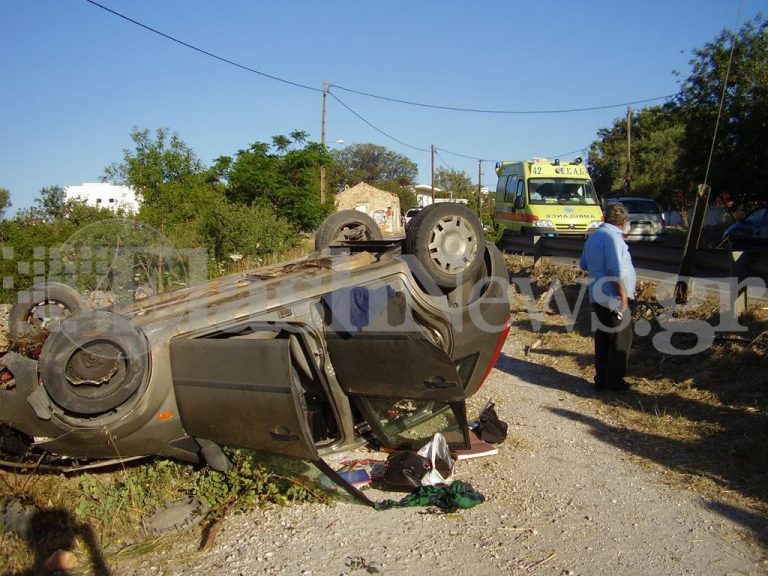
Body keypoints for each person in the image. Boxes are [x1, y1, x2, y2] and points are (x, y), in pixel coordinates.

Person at [579, 202, 636, 391]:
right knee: (620, 338)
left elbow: (583, 264)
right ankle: (614, 381)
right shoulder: (613, 237)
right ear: (623, 221)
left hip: (597, 294)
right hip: (613, 296)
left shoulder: (593, 237)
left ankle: (602, 378)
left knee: (603, 337)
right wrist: (623, 296)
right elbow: (614, 269)